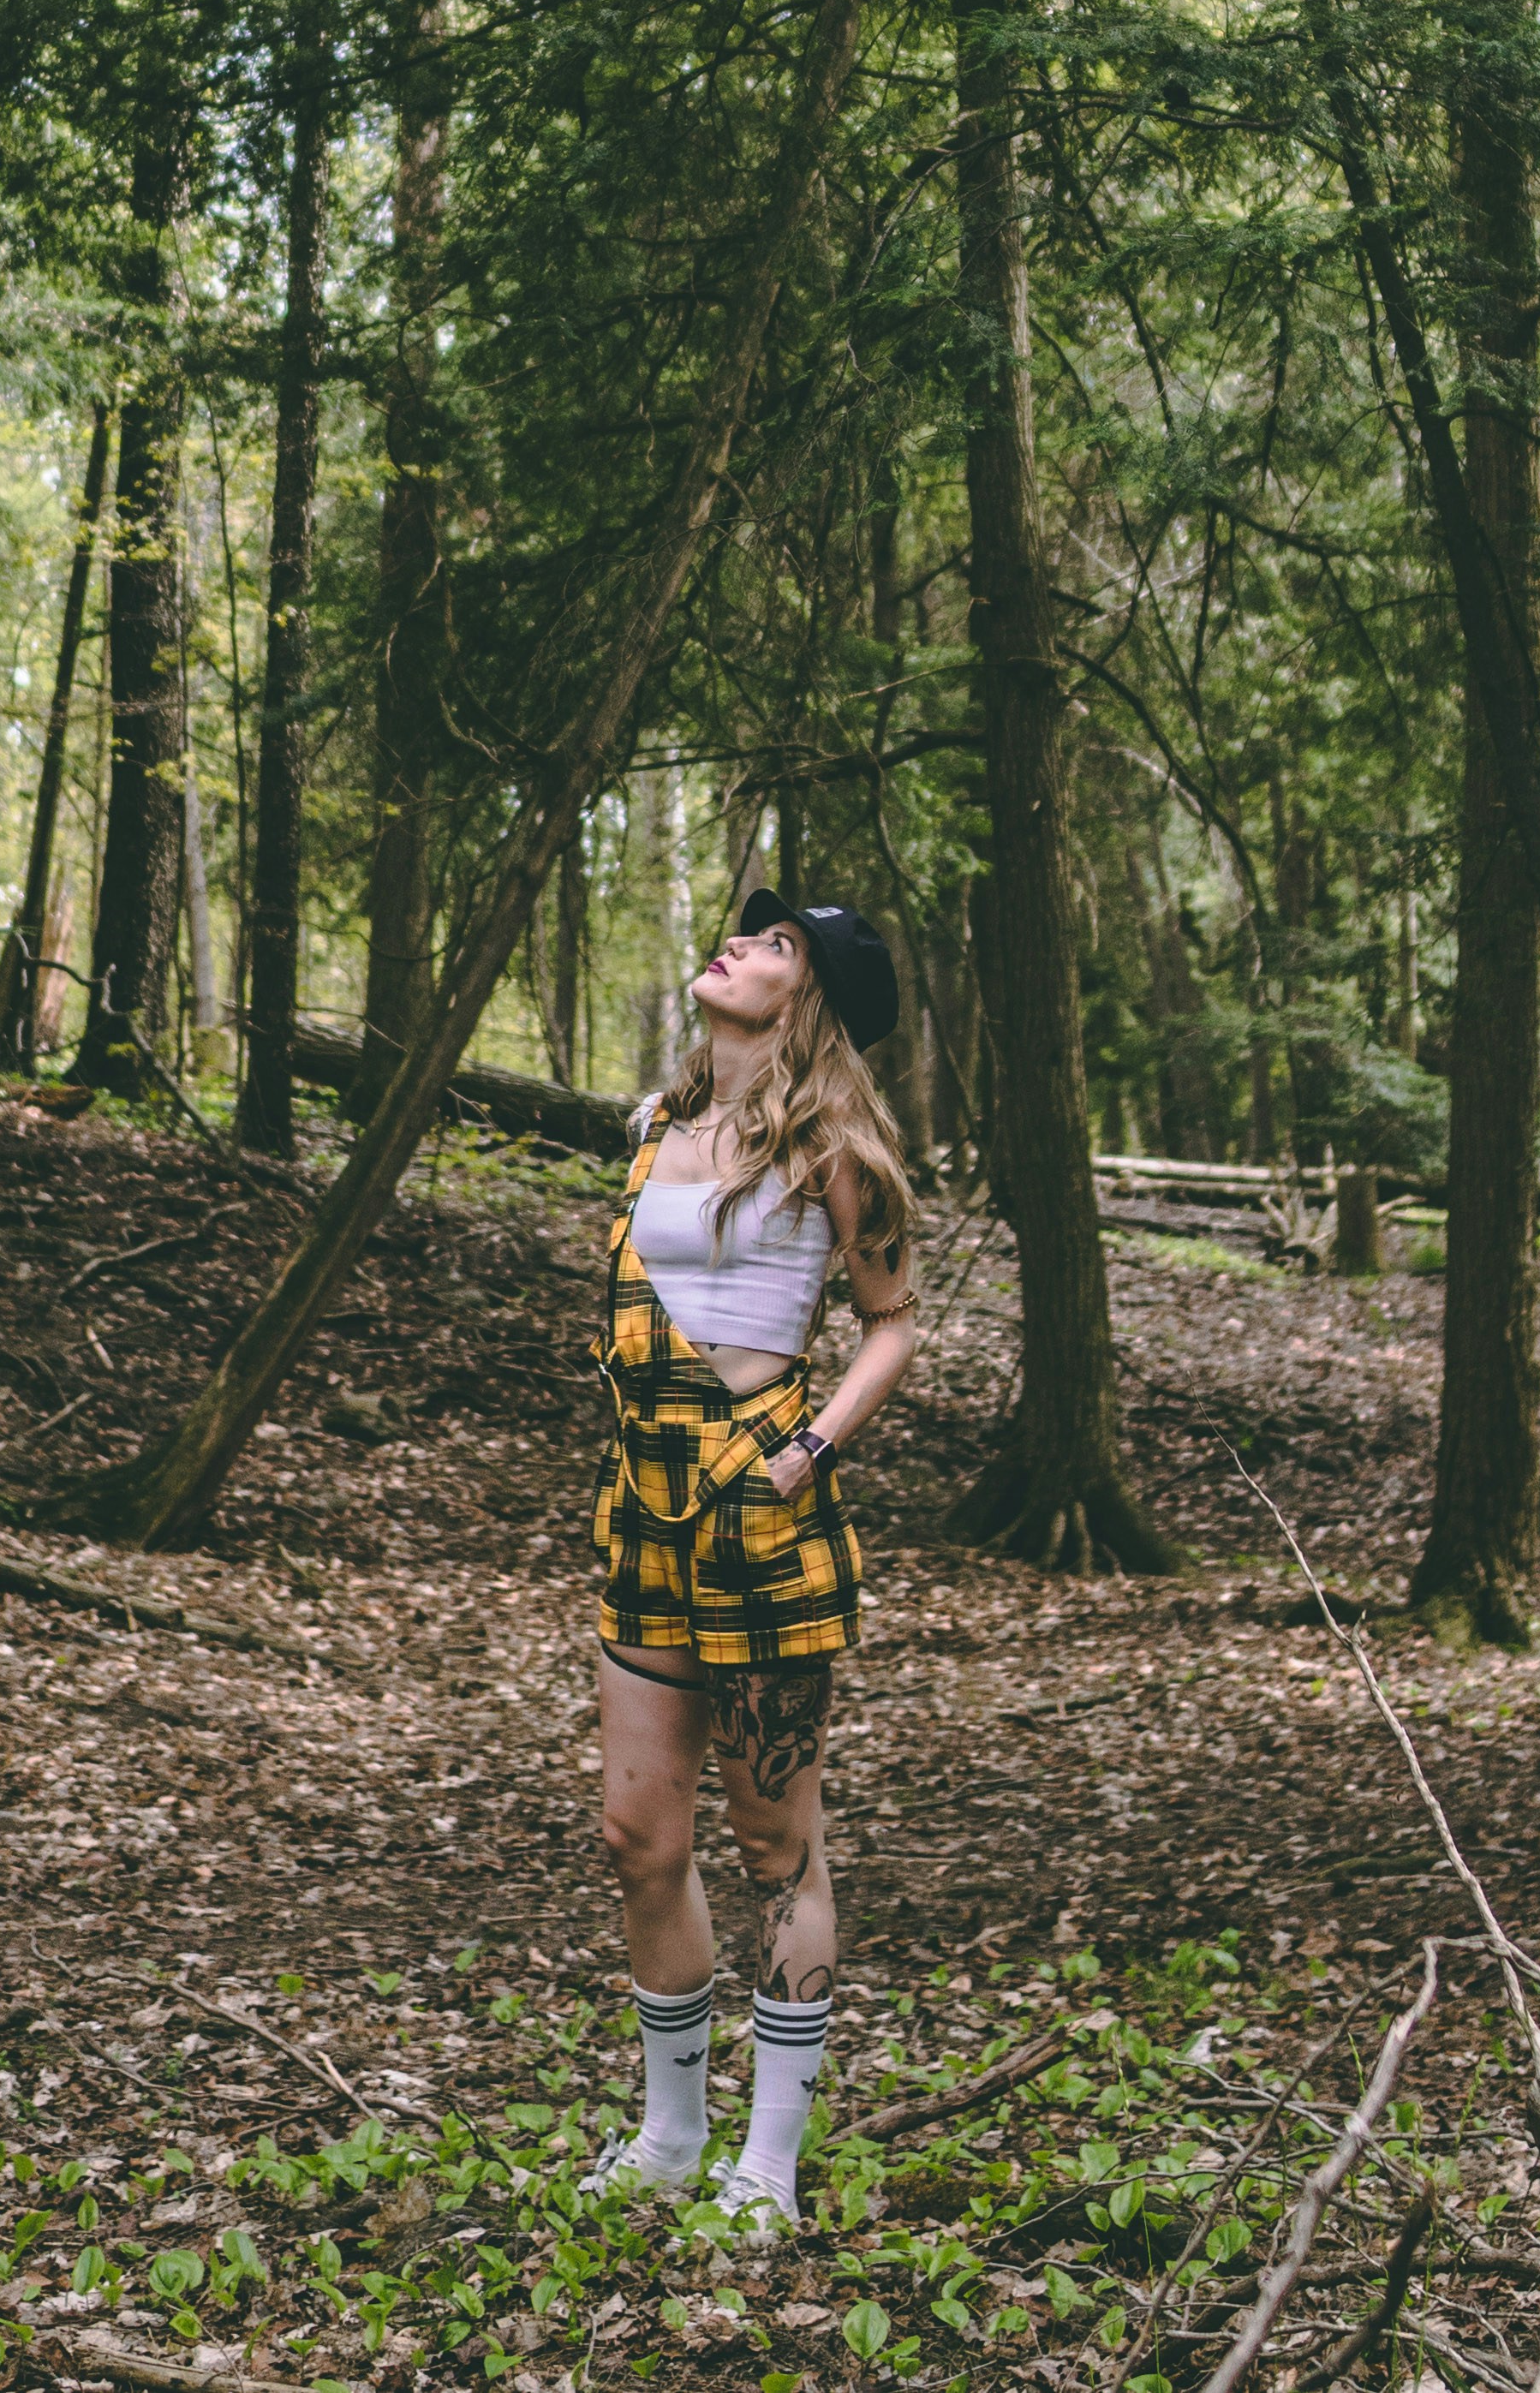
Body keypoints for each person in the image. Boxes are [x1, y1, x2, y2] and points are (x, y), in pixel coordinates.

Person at [582, 887, 920, 2229]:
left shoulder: (832, 1145)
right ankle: (672, 2138)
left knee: (775, 1840)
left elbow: (893, 1321)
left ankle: (765, 2167)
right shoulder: (655, 1129)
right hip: (646, 1514)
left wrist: (809, 1450)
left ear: (810, 998)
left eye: (778, 946)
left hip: (765, 1520)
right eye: (747, 932)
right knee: (637, 1837)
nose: (741, 946)